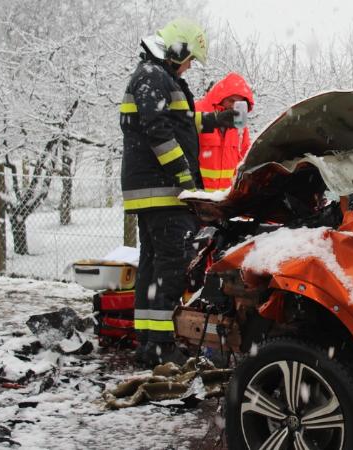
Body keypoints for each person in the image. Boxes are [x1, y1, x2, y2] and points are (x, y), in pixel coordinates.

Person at [119, 18, 236, 367]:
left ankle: (147, 343)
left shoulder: (157, 77)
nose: (189, 66)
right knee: (170, 268)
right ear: (177, 50)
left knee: (153, 267)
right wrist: (185, 178)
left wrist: (219, 121)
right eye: (189, 59)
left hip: (152, 193)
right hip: (163, 192)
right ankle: (159, 346)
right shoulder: (154, 78)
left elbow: (182, 122)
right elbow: (159, 132)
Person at [195, 72, 255, 191]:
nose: (234, 107)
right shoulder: (198, 112)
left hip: (224, 199)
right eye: (231, 101)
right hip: (198, 195)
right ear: (220, 98)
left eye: (238, 103)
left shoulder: (241, 128)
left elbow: (245, 159)